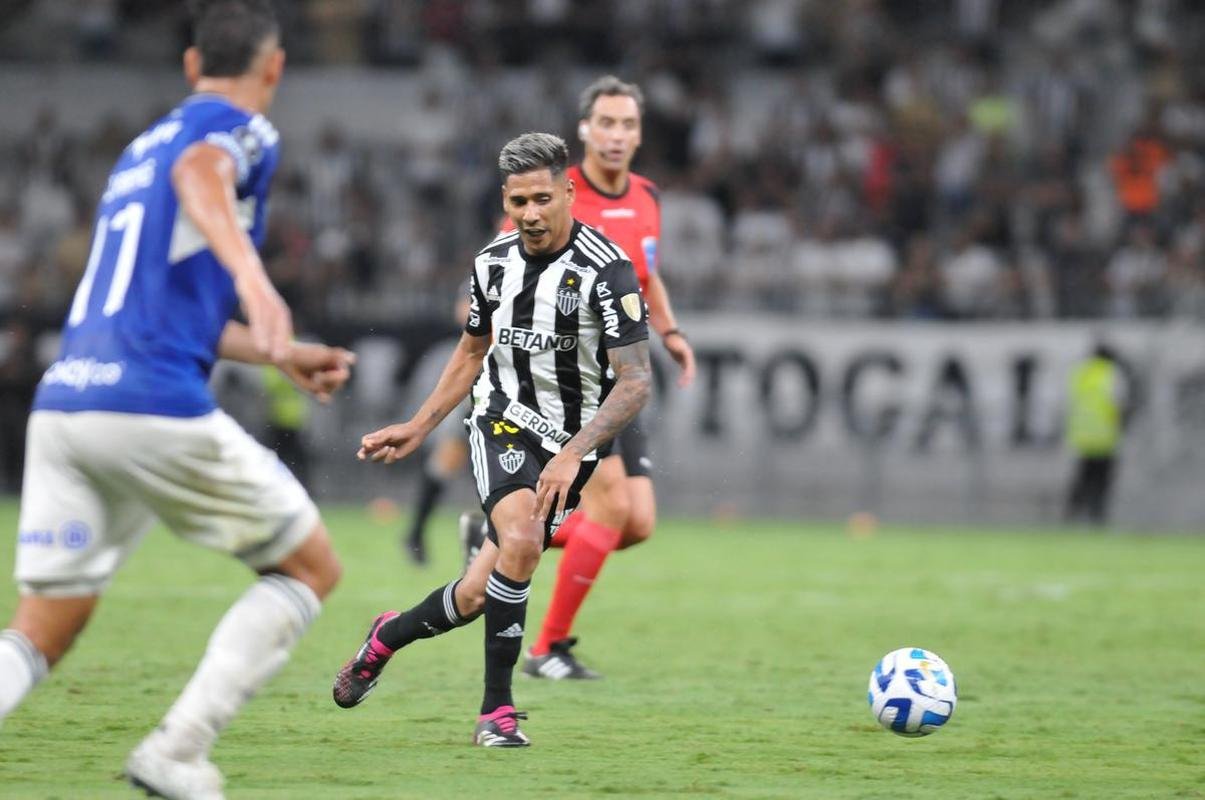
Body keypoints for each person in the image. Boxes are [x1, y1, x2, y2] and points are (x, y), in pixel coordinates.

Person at [0, 3, 355, 798]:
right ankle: (178, 752)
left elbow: (164, 304)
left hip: (67, 405)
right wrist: (257, 283)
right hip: (148, 405)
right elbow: (203, 172)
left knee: (43, 624)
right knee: (310, 566)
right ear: (275, 68)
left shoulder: (137, 150)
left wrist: (276, 349)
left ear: (192, 65)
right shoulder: (240, 129)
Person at [333, 132, 652, 747]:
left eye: (541, 199)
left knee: (479, 593)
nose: (530, 214)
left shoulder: (607, 271)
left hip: (571, 444)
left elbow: (635, 381)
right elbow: (470, 352)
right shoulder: (492, 263)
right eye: (517, 201)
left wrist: (572, 453)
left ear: (568, 192)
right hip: (502, 420)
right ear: (505, 200)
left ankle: (384, 638)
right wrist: (418, 425)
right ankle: (495, 713)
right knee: (526, 540)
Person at [461, 75, 696, 680]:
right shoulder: (555, 197)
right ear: (585, 130)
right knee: (612, 510)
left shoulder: (647, 196)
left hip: (622, 378)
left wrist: (670, 331)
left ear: (639, 135)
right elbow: (502, 273)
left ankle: (497, 535)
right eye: (606, 123)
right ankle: (547, 649)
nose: (617, 135)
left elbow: (646, 275)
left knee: (636, 524)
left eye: (628, 124)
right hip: (568, 386)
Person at [400, 291, 473, 565]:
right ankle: (416, 532)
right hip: (478, 382)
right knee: (445, 461)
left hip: (515, 384)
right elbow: (465, 312)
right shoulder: (488, 273)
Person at [1064, 343, 1126, 525]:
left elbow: (1069, 402)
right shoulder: (1111, 374)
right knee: (1102, 480)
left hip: (1083, 435)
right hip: (1105, 436)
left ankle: (1072, 515)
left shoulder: (1081, 373)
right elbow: (1119, 403)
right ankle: (1097, 515)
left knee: (1083, 477)